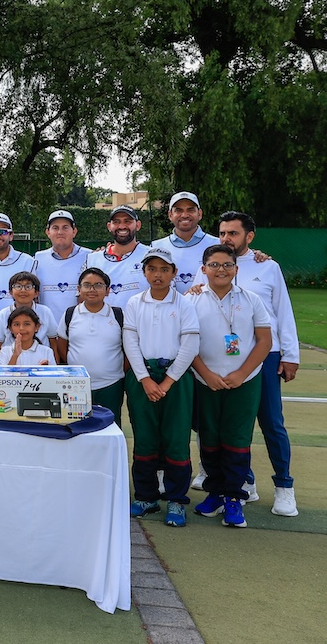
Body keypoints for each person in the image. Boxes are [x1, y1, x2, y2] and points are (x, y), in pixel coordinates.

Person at [208, 211, 299, 516]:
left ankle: (284, 487)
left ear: (250, 236)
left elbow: (282, 312)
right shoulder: (210, 265)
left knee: (271, 422)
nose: (226, 239)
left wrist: (290, 355)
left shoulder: (267, 266)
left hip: (265, 354)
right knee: (231, 425)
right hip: (223, 358)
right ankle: (244, 481)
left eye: (233, 233)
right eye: (222, 233)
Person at [189, 244, 272, 529]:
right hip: (205, 380)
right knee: (209, 439)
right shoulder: (192, 300)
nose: (221, 270)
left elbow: (264, 341)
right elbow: (187, 345)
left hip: (244, 381)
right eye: (214, 265)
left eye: (227, 265)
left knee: (237, 440)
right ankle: (214, 493)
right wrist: (206, 374)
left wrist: (241, 373)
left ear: (236, 269)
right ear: (204, 269)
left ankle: (234, 498)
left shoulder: (251, 300)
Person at [123, 246, 199, 527]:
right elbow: (130, 343)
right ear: (144, 272)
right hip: (142, 377)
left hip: (175, 379)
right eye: (152, 269)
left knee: (176, 440)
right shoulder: (134, 303)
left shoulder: (185, 304)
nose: (158, 275)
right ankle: (146, 496)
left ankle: (177, 501)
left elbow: (190, 344)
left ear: (174, 273)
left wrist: (166, 381)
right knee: (144, 437)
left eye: (164, 269)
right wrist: (144, 379)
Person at [57, 267, 127, 425]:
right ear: (79, 289)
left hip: (111, 385)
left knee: (109, 427)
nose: (92, 289)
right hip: (76, 385)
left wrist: (117, 371)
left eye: (98, 285)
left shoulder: (118, 315)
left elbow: (128, 349)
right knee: (75, 427)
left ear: (107, 290)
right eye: (87, 285)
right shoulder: (70, 314)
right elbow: (62, 345)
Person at [152, 192, 220, 294]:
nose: (184, 215)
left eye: (190, 210)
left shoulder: (218, 244)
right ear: (170, 215)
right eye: (178, 210)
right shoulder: (155, 247)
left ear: (199, 214)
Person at [32, 209, 92, 325]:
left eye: (65, 227)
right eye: (55, 228)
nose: (60, 232)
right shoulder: (37, 259)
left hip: (82, 327)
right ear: (48, 232)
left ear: (74, 232)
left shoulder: (90, 256)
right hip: (47, 329)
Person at [86, 205, 148, 308]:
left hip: (142, 323)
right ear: (109, 226)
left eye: (127, 221)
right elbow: (83, 298)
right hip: (105, 323)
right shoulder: (93, 259)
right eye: (116, 222)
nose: (122, 226)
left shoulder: (151, 256)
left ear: (138, 225)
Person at [0, 271, 59, 355]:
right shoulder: (3, 314)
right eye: (18, 286)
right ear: (11, 292)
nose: (23, 290)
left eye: (28, 287)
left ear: (36, 293)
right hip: (11, 361)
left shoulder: (45, 312)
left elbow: (53, 341)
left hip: (40, 361)